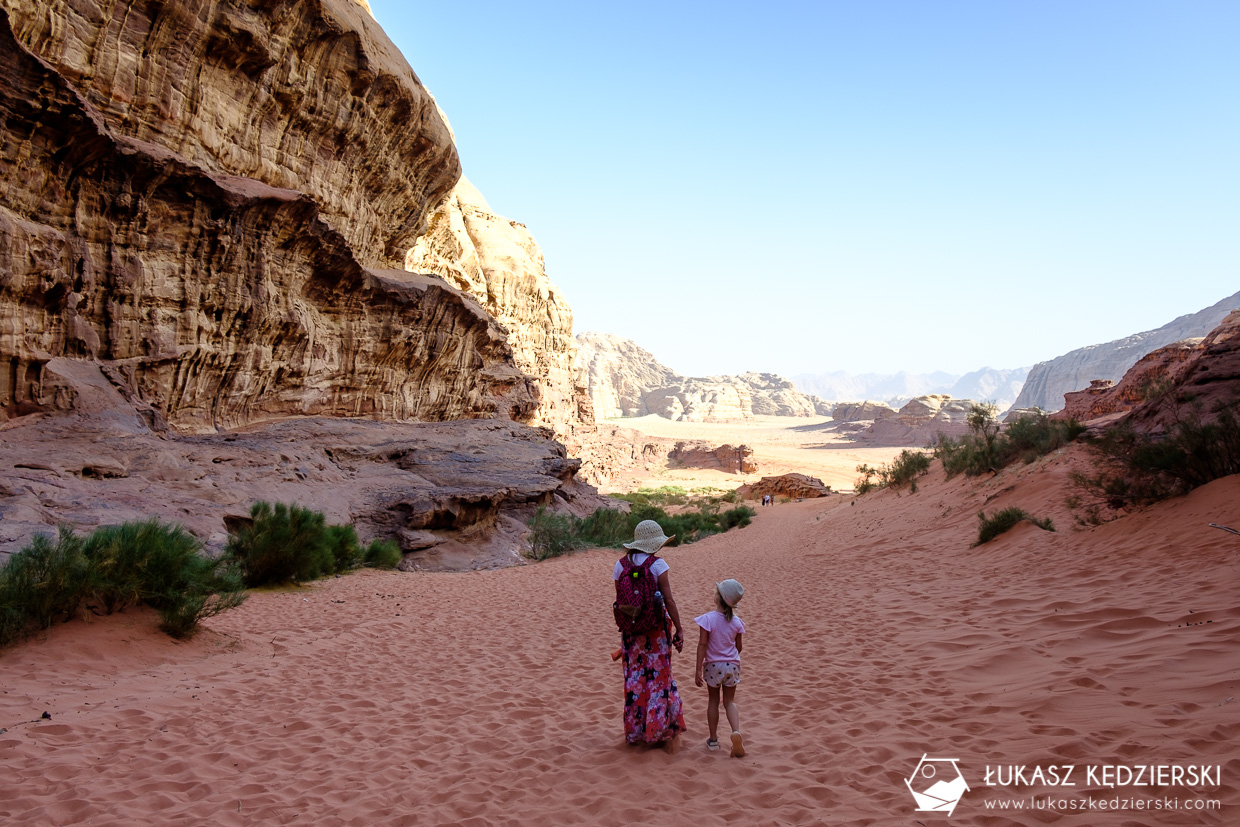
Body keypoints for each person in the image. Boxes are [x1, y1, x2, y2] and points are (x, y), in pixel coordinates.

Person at [614, 520, 686, 749]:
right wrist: (680, 628)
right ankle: (659, 731)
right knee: (659, 678)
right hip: (656, 631)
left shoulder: (620, 565)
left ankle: (635, 733)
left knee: (635, 680)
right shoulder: (658, 565)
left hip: (630, 633)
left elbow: (623, 602)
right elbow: (669, 600)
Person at [694, 578, 746, 757]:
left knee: (713, 701)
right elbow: (739, 647)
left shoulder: (707, 619)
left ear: (718, 598)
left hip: (713, 665)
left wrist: (698, 669)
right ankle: (736, 731)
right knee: (730, 701)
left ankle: (714, 740)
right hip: (732, 665)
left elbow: (702, 645)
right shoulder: (737, 622)